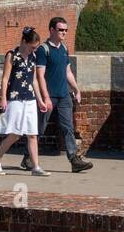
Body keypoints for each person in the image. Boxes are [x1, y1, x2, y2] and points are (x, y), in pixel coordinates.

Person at [28, 16, 94, 172]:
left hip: (64, 95)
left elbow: (67, 72)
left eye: (66, 30)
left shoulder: (64, 48)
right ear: (51, 30)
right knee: (39, 128)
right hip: (49, 96)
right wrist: (45, 97)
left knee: (68, 128)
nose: (64, 33)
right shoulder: (44, 50)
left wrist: (76, 89)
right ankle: (28, 158)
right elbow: (40, 76)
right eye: (61, 30)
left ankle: (74, 160)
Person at [0, 27, 50, 176]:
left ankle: (36, 167)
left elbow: (34, 80)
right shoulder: (12, 55)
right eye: (32, 47)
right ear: (24, 42)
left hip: (30, 99)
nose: (33, 50)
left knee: (32, 134)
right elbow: (5, 79)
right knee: (15, 133)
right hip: (15, 98)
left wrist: (40, 100)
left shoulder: (33, 57)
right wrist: (3, 98)